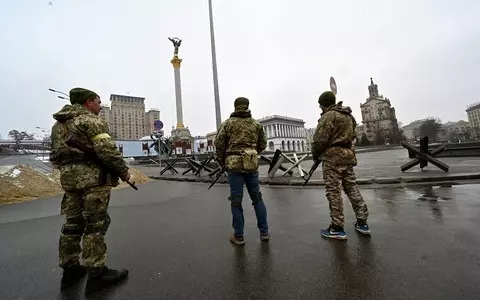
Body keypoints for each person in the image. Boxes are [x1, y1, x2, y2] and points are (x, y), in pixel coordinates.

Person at [50, 87, 130, 293]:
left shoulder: (57, 126)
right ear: (87, 102)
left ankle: (70, 269)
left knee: (72, 224)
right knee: (96, 224)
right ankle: (97, 273)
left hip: (69, 180)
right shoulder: (90, 120)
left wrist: (71, 169)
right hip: (93, 180)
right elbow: (107, 151)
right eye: (97, 101)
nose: (100, 105)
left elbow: (54, 156)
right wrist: (123, 172)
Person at [312, 91, 370, 240]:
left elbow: (319, 140)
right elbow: (353, 135)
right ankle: (362, 222)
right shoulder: (349, 116)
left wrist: (316, 154)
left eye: (320, 106)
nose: (320, 109)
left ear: (324, 104)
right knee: (352, 188)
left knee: (334, 192)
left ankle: (337, 227)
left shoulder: (328, 116)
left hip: (332, 158)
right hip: (347, 155)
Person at [214, 97, 269, 246]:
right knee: (257, 198)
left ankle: (239, 236)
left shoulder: (227, 124)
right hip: (251, 164)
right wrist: (251, 152)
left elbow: (219, 145)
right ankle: (264, 232)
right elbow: (263, 144)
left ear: (235, 107)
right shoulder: (256, 124)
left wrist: (222, 161)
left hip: (234, 166)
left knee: (236, 200)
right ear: (247, 107)